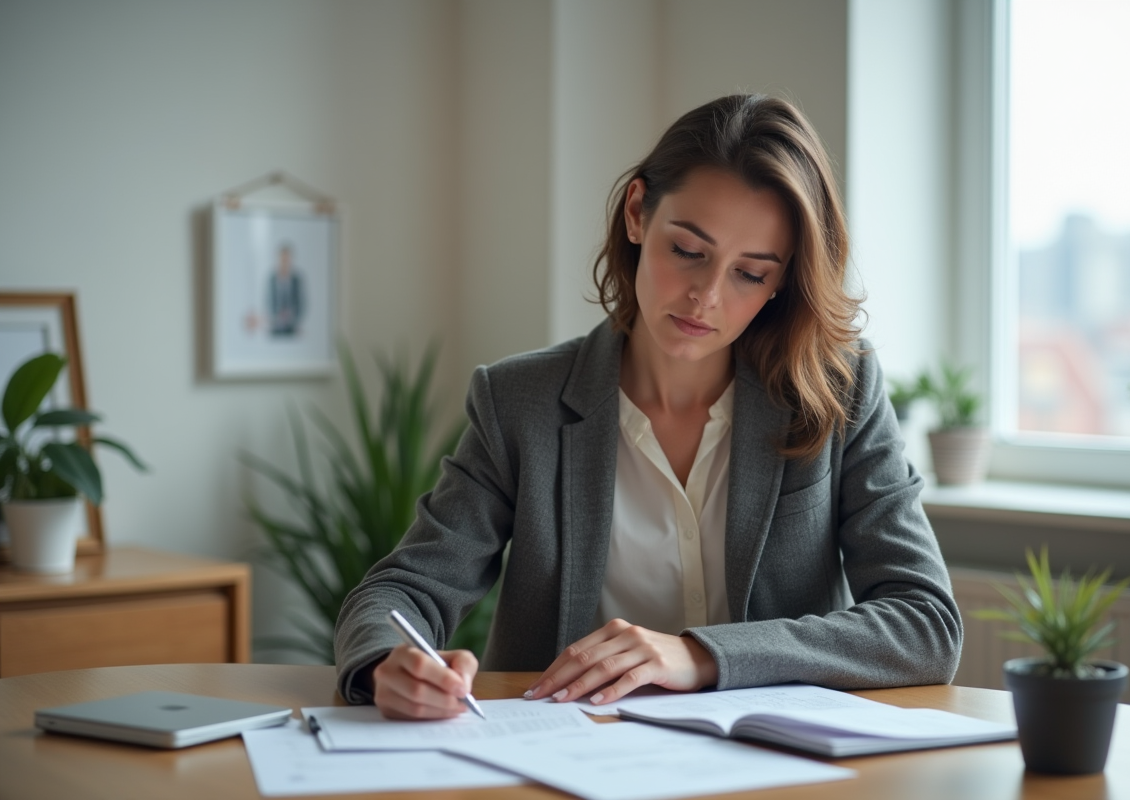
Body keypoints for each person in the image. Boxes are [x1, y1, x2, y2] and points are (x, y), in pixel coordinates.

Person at [334, 94, 962, 720]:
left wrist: (703, 655)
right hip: (565, 759)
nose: (706, 297)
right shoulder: (518, 403)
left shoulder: (838, 391)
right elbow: (402, 591)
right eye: (688, 251)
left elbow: (925, 623)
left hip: (772, 769)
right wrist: (392, 663)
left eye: (750, 274)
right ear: (638, 213)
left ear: (783, 280)